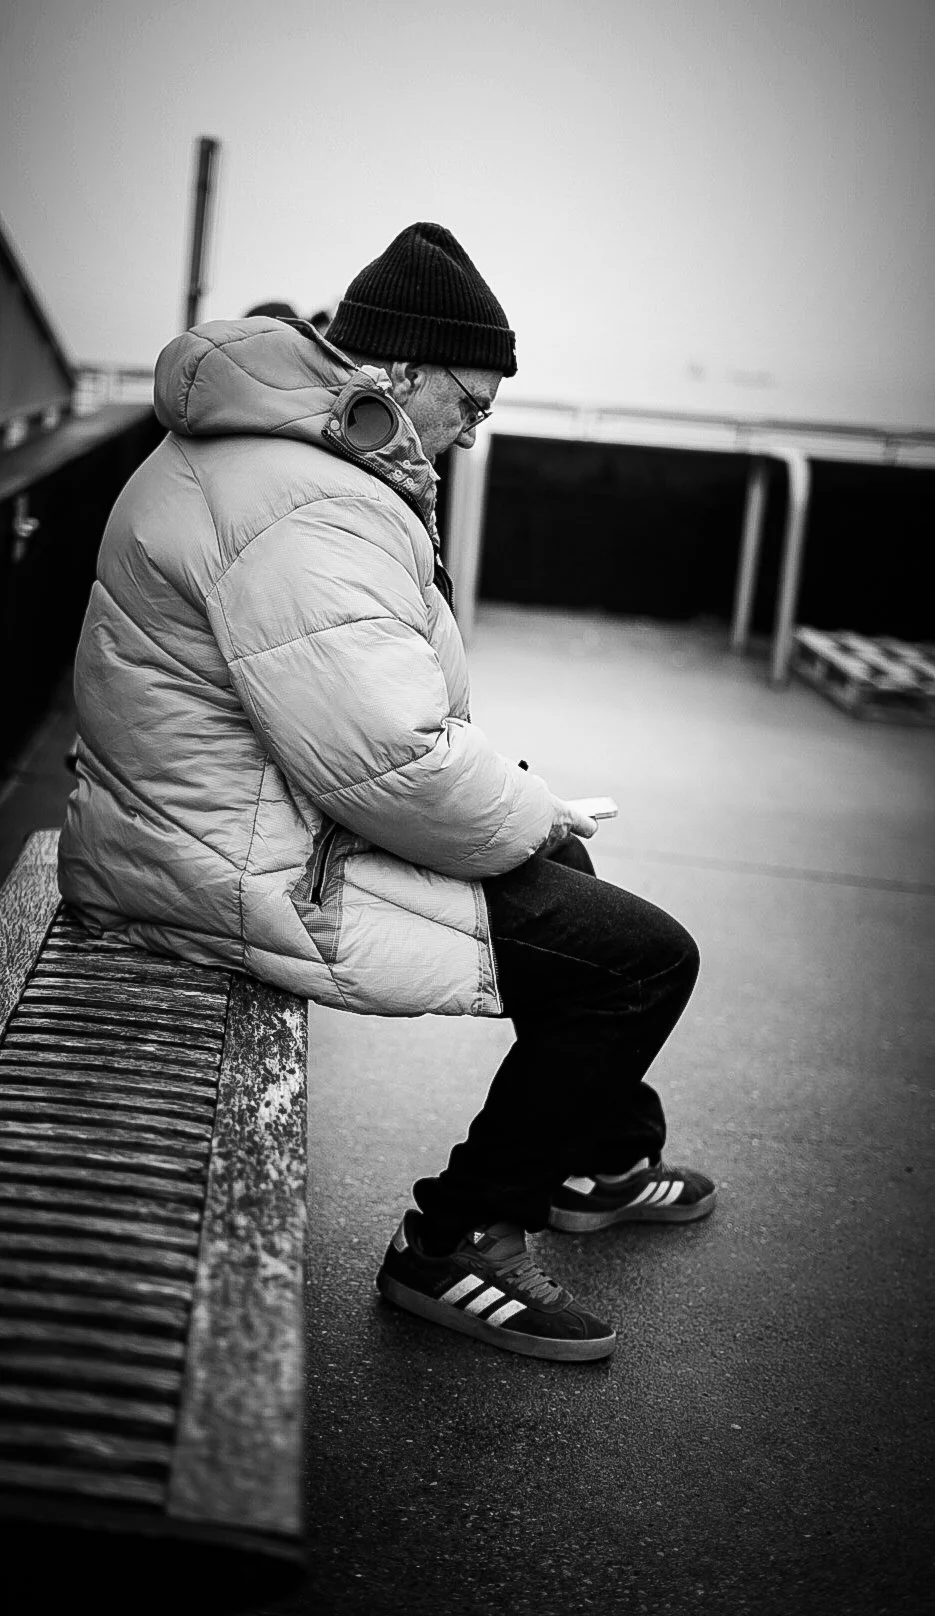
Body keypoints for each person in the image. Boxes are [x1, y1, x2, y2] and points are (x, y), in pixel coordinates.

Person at [59, 222, 715, 1365]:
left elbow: (367, 734)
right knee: (643, 960)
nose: (473, 430)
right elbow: (392, 762)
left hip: (215, 819)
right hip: (221, 860)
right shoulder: (308, 501)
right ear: (402, 370)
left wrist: (529, 818)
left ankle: (595, 1153)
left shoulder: (286, 458)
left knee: (562, 870)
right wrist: (528, 804)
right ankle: (453, 1238)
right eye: (470, 402)